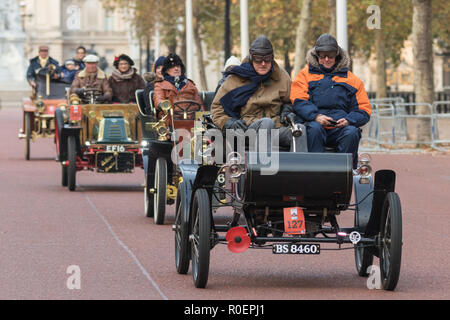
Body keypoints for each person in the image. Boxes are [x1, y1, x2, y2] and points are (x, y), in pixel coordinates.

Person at [211, 36, 307, 152]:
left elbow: (290, 101)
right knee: (266, 123)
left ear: (272, 58)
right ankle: (264, 168)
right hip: (246, 130)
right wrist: (228, 122)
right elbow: (217, 108)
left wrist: (287, 111)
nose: (263, 63)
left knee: (299, 130)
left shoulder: (282, 76)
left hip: (276, 128)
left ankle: (296, 169)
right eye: (258, 60)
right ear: (251, 58)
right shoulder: (235, 79)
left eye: (267, 59)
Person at [290, 33, 371, 168]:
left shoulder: (353, 80)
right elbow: (299, 101)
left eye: (331, 56)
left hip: (341, 127)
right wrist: (316, 116)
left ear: (337, 55)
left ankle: (344, 173)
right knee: (314, 129)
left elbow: (364, 110)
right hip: (315, 124)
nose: (327, 59)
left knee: (351, 132)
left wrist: (348, 120)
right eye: (322, 56)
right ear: (317, 55)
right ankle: (316, 172)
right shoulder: (303, 76)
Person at [153, 53, 204, 120]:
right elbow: (158, 99)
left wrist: (202, 120)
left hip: (191, 119)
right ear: (166, 70)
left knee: (203, 126)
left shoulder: (190, 84)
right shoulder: (160, 85)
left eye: (178, 66)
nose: (176, 68)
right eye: (172, 67)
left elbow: (199, 105)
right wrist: (163, 105)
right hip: (170, 120)